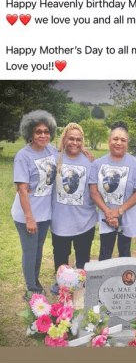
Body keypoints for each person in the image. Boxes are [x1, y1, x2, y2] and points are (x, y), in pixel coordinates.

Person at [11, 110, 57, 301]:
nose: (43, 135)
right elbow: (22, 189)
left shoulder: (51, 150)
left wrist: (85, 153)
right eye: (38, 131)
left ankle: (35, 282)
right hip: (27, 215)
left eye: (46, 131)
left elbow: (68, 155)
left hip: (45, 213)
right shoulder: (23, 156)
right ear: (30, 133)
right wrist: (29, 218)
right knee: (30, 251)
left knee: (38, 250)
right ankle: (30, 289)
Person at [89, 122, 136, 261]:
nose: (119, 143)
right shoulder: (98, 164)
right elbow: (93, 190)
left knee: (125, 252)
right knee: (105, 251)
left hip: (127, 213)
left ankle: (124, 281)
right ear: (109, 141)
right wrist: (108, 212)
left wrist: (119, 211)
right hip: (106, 215)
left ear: (127, 143)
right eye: (115, 139)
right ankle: (103, 281)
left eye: (123, 140)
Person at [50, 123, 98, 294]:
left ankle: (80, 288)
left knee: (83, 258)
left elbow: (94, 191)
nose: (75, 143)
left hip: (84, 221)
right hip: (60, 220)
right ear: (64, 139)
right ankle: (61, 285)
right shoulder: (54, 158)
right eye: (71, 138)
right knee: (61, 257)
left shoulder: (90, 163)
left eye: (78, 140)